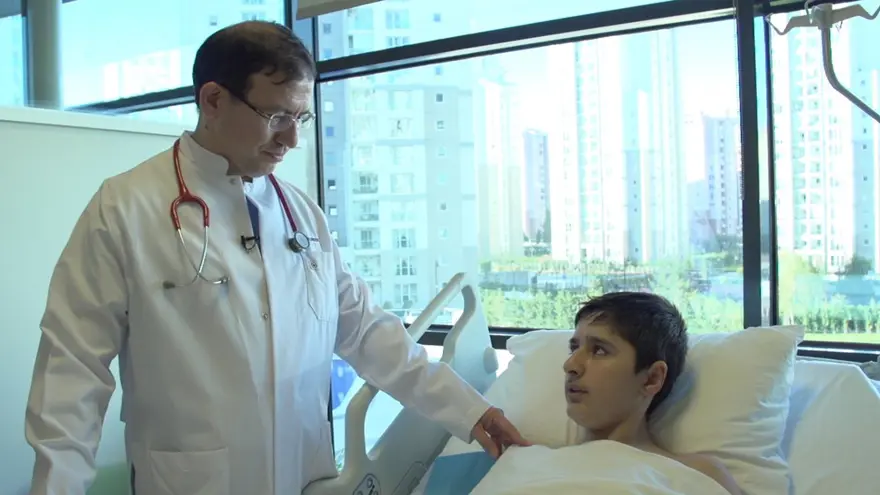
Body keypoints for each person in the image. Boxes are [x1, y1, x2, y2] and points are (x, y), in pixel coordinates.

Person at [24, 20, 528, 495]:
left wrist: (470, 410)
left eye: (300, 118)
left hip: (304, 473)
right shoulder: (125, 208)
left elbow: (367, 331)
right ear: (213, 100)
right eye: (277, 117)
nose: (292, 139)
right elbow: (72, 371)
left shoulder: (299, 213)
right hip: (192, 480)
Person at [563, 292, 742, 495]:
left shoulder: (697, 476)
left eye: (599, 350)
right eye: (574, 349)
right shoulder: (537, 458)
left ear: (652, 379)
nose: (570, 365)